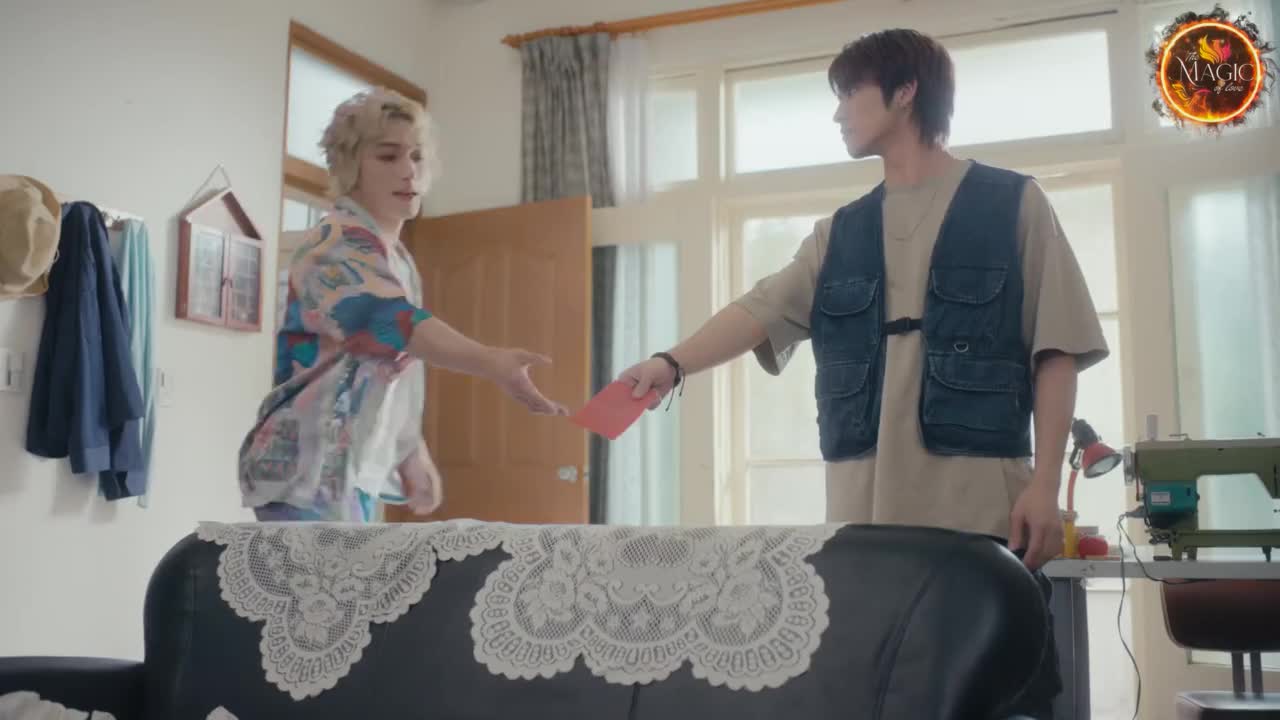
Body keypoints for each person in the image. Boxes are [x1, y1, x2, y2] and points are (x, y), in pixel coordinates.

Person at [620, 29, 1108, 717]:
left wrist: (1045, 484)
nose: (837, 112)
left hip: (979, 511)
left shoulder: (1014, 203)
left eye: (849, 92)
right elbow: (759, 310)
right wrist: (670, 365)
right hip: (865, 524)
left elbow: (1056, 348)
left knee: (993, 698)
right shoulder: (839, 232)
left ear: (905, 91)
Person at [240, 88, 567, 523]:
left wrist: (411, 451)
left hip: (349, 474)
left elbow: (394, 365)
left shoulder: (398, 260)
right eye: (388, 156)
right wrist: (492, 361)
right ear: (350, 165)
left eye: (417, 157)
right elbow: (395, 324)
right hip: (304, 469)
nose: (409, 171)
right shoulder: (336, 242)